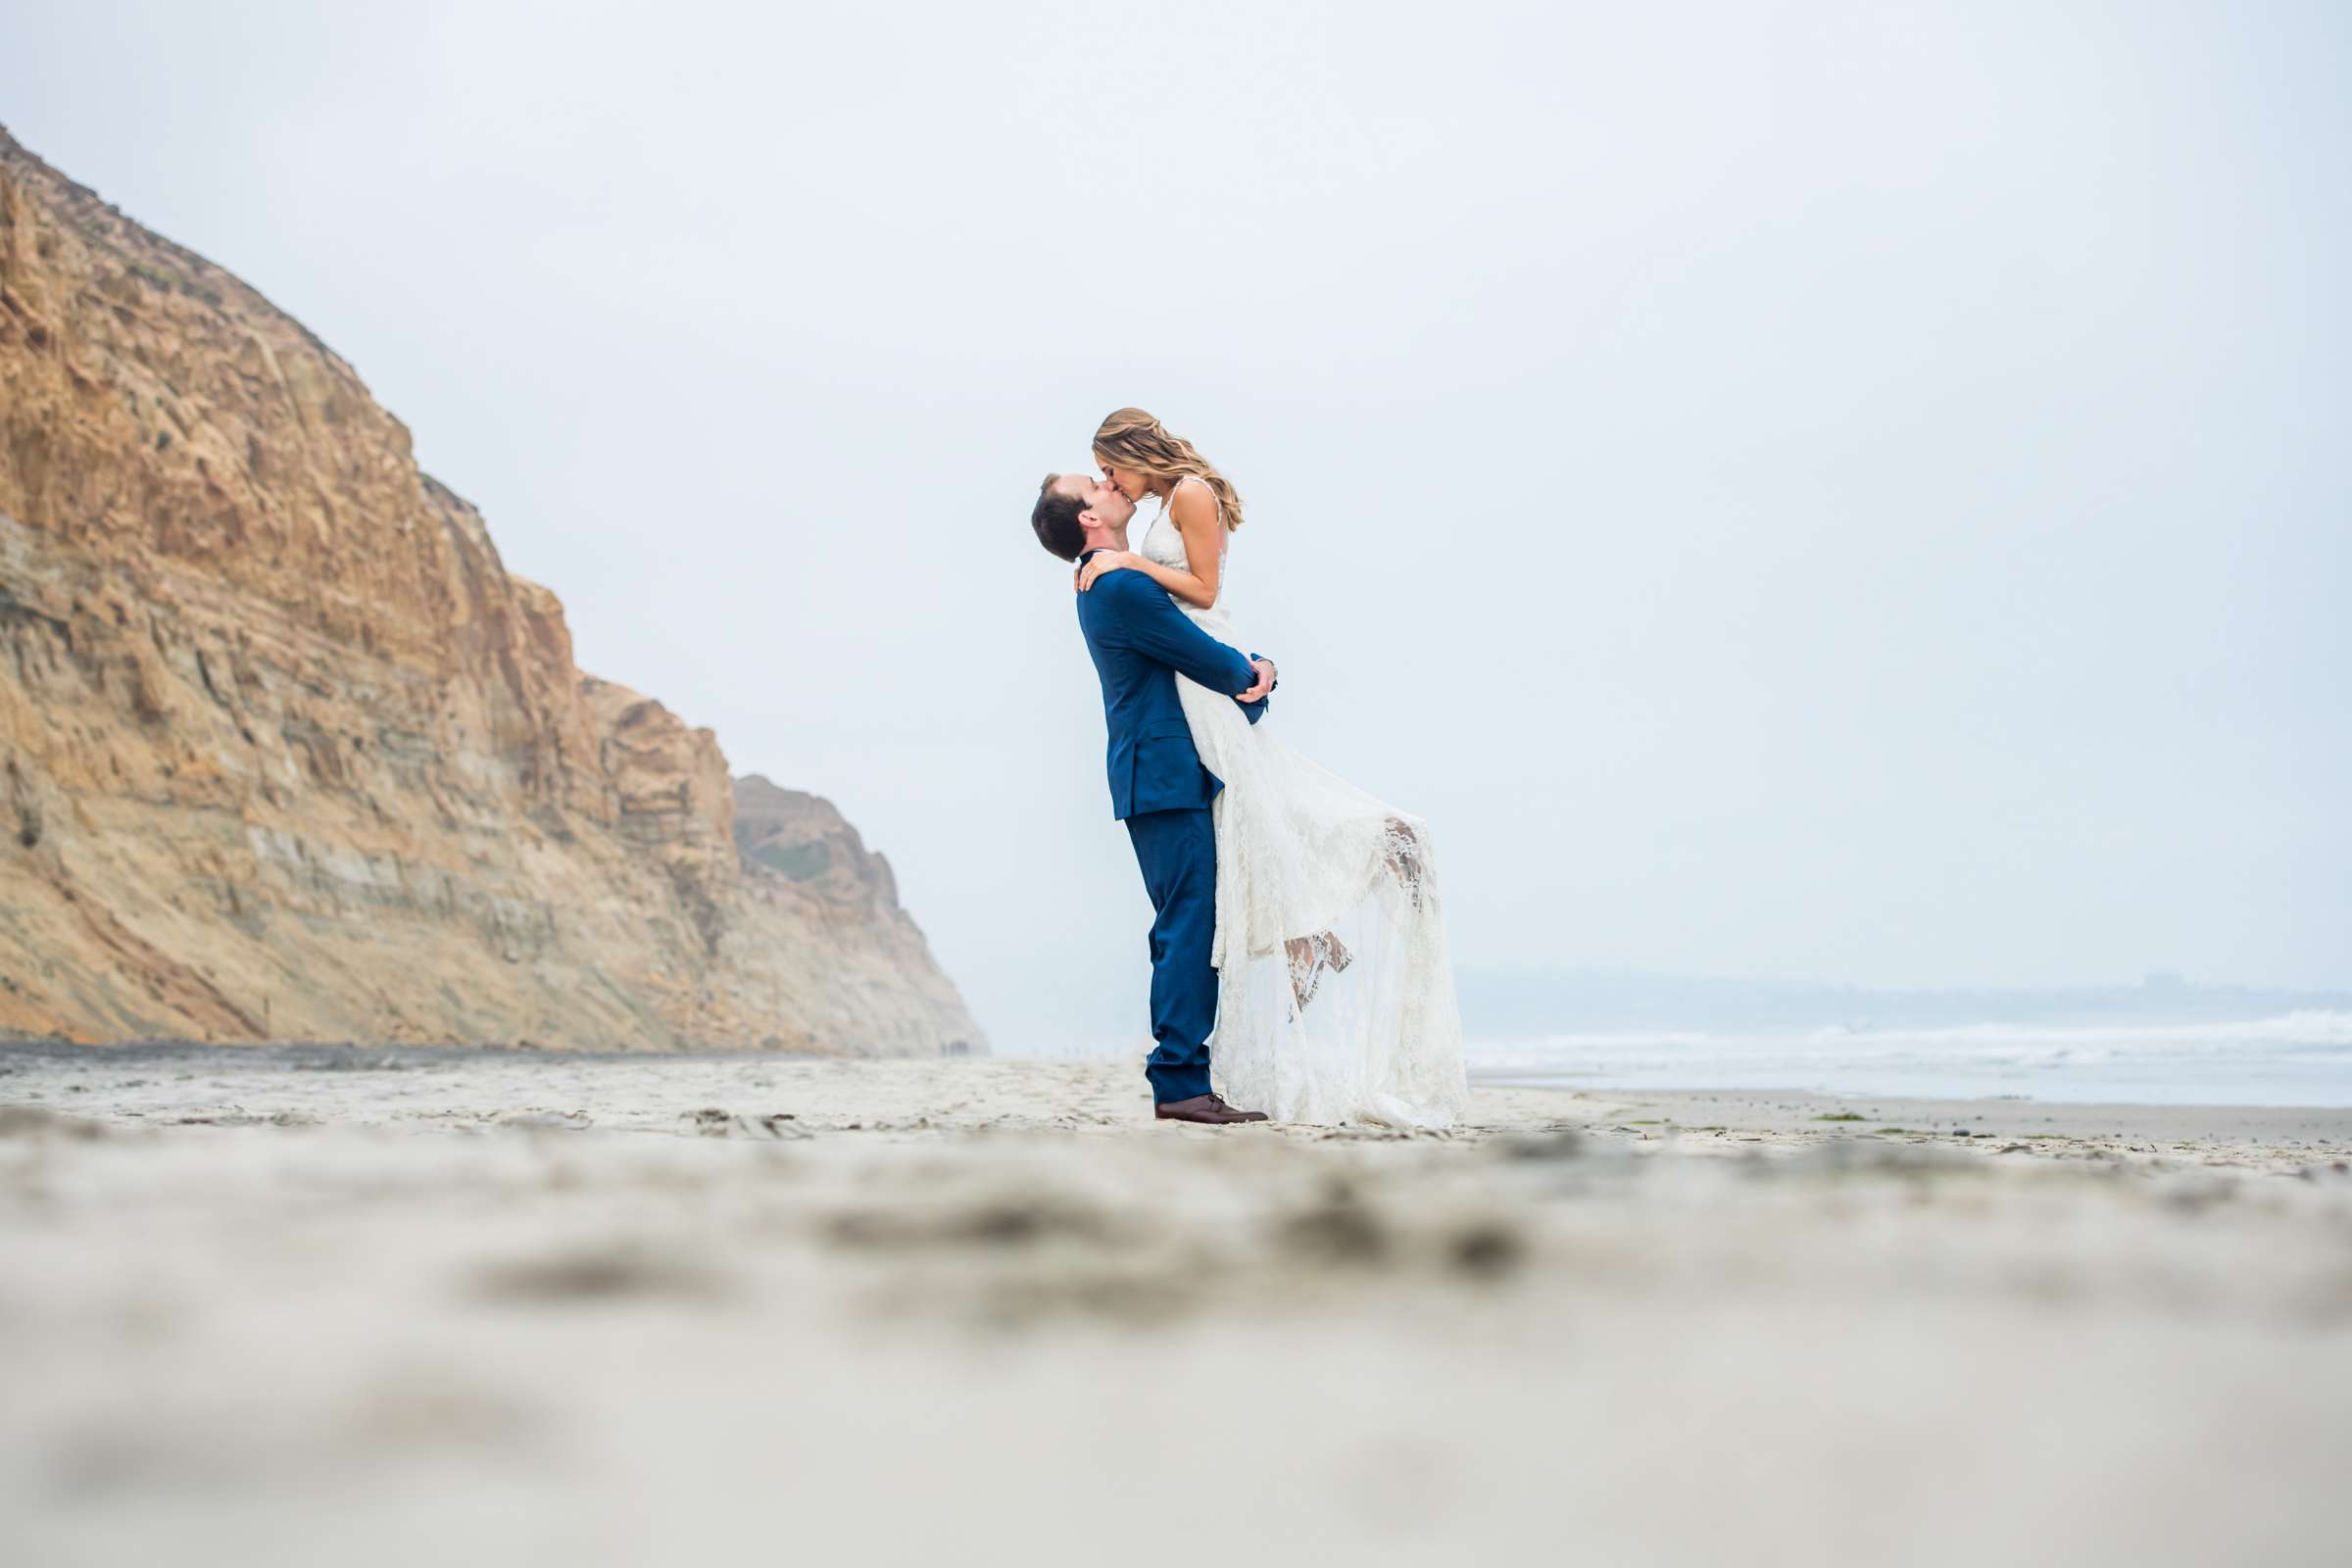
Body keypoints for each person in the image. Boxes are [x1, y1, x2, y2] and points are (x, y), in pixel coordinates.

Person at [1035, 408, 1469, 1127]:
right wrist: (1259, 671)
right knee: (1186, 926)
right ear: (1087, 519)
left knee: (1199, 918)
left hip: (1174, 769)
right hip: (1162, 772)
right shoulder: (1114, 584)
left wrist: (1248, 676)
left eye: (1108, 469)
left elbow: (1201, 643)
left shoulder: (1119, 571)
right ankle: (1178, 1083)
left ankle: (1278, 975)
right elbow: (1211, 662)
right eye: (1097, 481)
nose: (1110, 480)